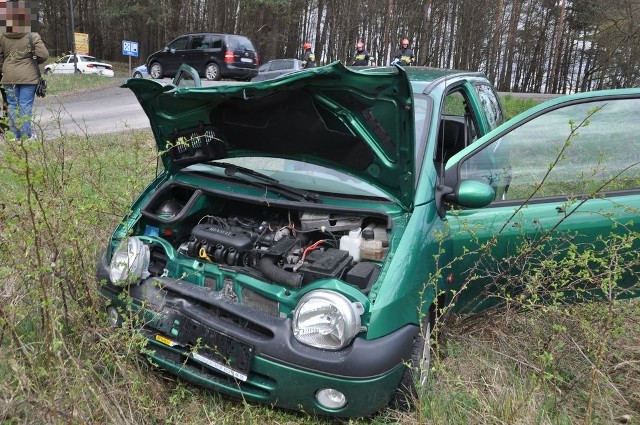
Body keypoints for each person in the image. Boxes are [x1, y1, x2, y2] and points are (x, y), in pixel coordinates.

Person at [0, 5, 49, 140]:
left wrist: (3, 68)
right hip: (28, 77)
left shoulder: (3, 36)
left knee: (12, 106)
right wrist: (32, 62)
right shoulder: (33, 36)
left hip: (8, 77)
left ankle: (14, 136)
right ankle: (26, 137)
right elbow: (44, 55)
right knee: (25, 105)